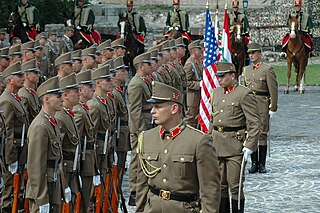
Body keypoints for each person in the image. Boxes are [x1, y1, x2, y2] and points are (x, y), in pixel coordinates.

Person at [136, 81, 221, 213]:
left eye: (158, 106)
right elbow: (141, 185)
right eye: (152, 107)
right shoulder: (146, 138)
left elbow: (210, 189)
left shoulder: (198, 141)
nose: (152, 111)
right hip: (153, 208)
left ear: (174, 109)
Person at [210, 61, 260, 213]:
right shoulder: (216, 93)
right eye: (218, 76)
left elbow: (254, 121)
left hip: (235, 145)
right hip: (217, 143)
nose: (219, 79)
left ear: (232, 76)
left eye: (222, 76)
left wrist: (250, 145)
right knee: (220, 184)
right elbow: (213, 120)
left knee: (235, 184)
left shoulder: (243, 94)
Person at [26, 76, 66, 213]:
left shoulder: (51, 122)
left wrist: (64, 185)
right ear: (46, 99)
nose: (62, 99)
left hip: (53, 185)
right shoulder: (40, 126)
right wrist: (42, 199)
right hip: (43, 191)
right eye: (58, 96)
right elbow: (35, 167)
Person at [243, 43, 278, 174]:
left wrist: (273, 107)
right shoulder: (246, 70)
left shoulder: (267, 69)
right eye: (250, 53)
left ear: (260, 54)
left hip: (262, 103)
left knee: (262, 132)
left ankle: (262, 164)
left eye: (254, 53)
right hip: (250, 104)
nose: (251, 56)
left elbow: (273, 90)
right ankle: (254, 163)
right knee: (251, 132)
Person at [0, 62, 29, 212]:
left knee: (17, 189)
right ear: (10, 79)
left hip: (20, 151)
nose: (23, 78)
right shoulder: (6, 100)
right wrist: (10, 158)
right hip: (11, 153)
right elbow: (7, 131)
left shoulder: (15, 98)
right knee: (9, 189)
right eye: (19, 76)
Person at [127, 52, 153, 206]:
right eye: (148, 64)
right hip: (139, 127)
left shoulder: (144, 81)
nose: (151, 66)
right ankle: (134, 190)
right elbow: (135, 110)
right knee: (137, 159)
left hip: (146, 123)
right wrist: (141, 131)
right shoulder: (136, 83)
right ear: (141, 66)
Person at [56, 73, 81, 210]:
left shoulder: (68, 115)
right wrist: (63, 181)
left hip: (72, 168)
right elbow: (57, 151)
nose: (79, 93)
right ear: (65, 95)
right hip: (65, 169)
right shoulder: (61, 117)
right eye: (75, 91)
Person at [73, 70, 98, 212]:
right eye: (90, 86)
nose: (93, 89)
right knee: (81, 202)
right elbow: (73, 142)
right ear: (81, 90)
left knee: (85, 199)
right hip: (81, 162)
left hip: (87, 159)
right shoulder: (78, 111)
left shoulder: (83, 109)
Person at [184, 40, 203, 128]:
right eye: (199, 49)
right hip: (192, 96)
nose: (201, 51)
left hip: (197, 95)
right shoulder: (189, 64)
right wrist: (198, 84)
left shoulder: (196, 62)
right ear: (194, 51)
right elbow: (185, 82)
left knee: (195, 118)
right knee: (190, 118)